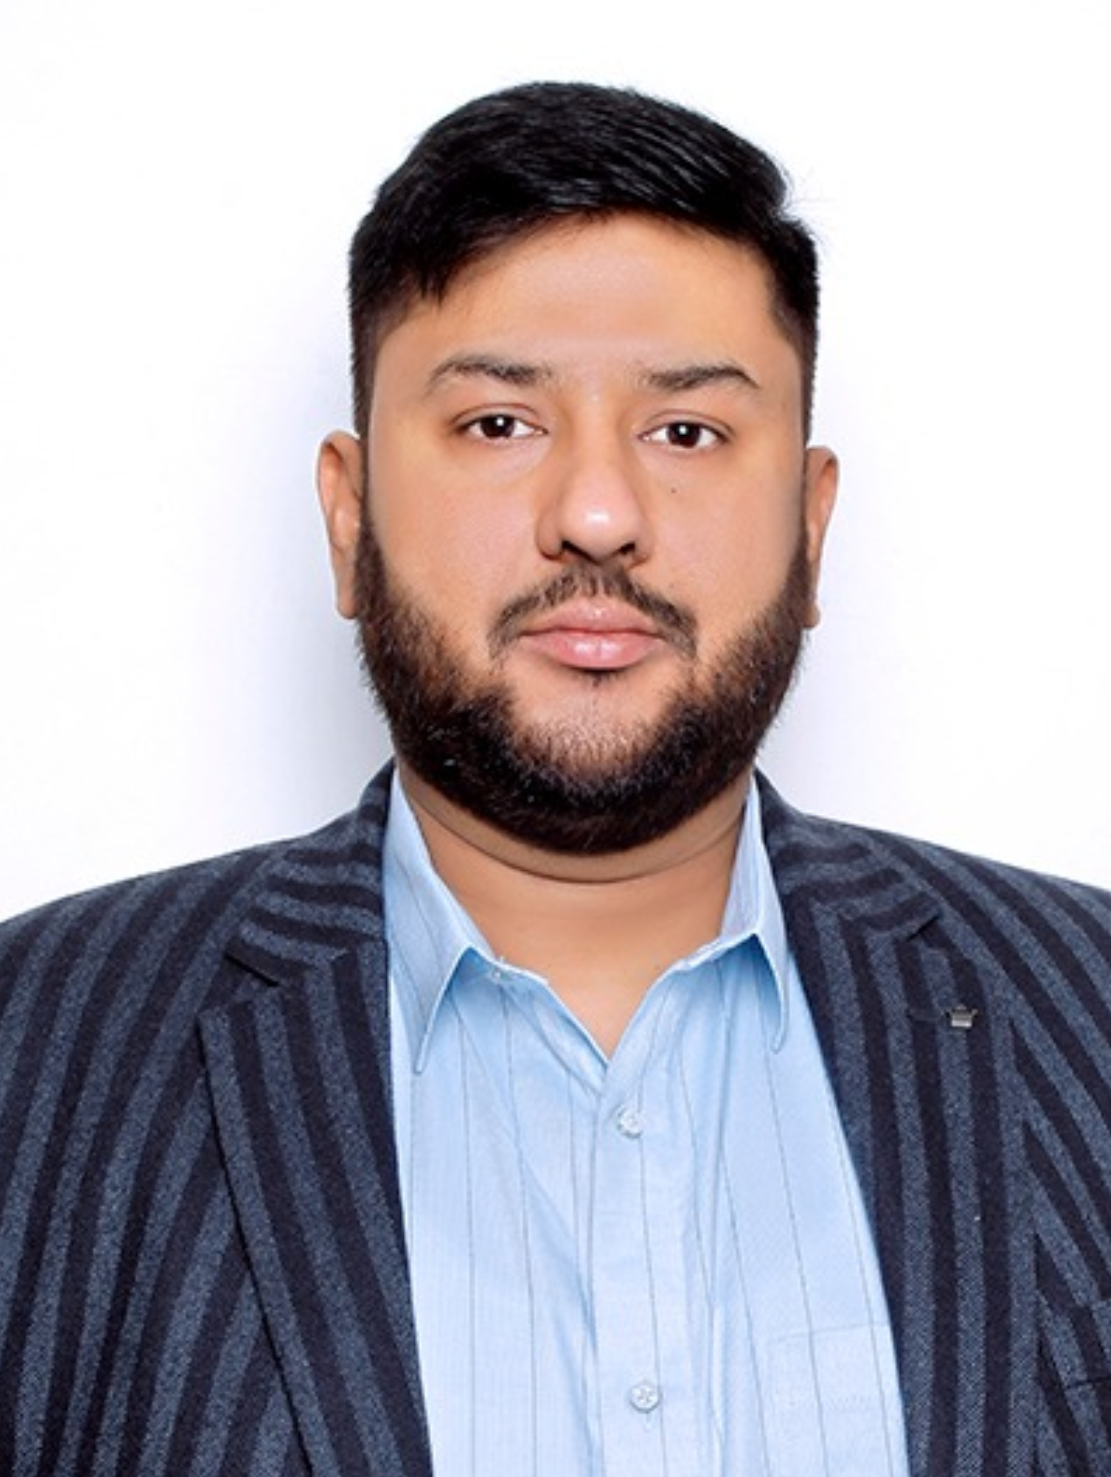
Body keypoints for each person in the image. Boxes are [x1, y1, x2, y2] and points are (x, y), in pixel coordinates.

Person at [1, 79, 1109, 1477]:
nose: (595, 515)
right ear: (348, 517)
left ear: (811, 524)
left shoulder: (1087, 1014)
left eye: (686, 431)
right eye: (497, 424)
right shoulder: (36, 1056)